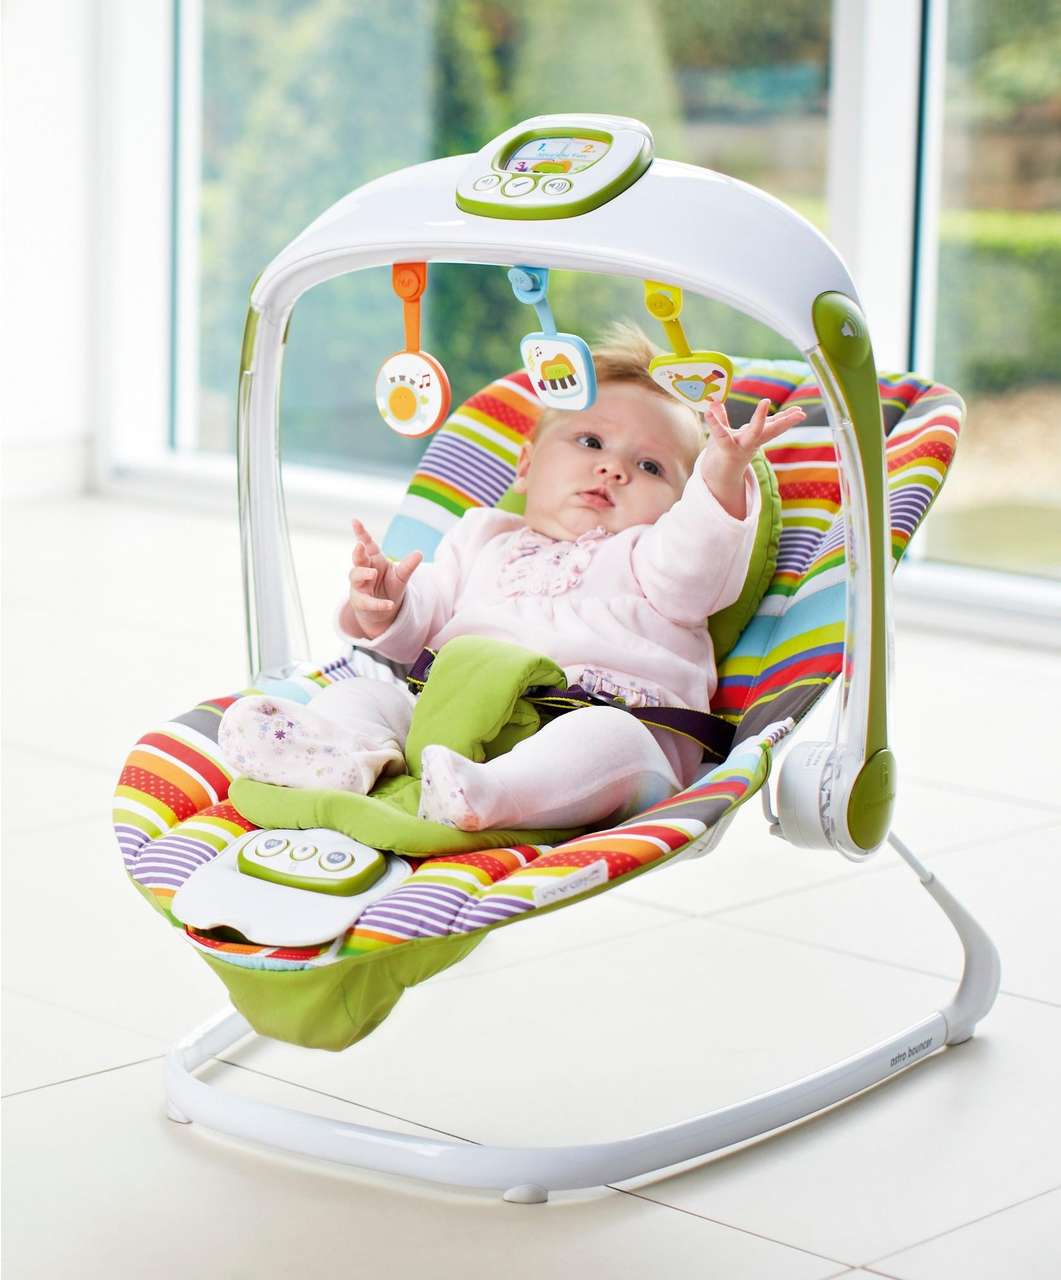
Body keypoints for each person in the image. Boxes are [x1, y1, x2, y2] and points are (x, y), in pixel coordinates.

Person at [218, 325, 805, 831]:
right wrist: (387, 604)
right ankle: (342, 760)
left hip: (598, 728)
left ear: (679, 502)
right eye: (590, 441)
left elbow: (699, 554)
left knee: (609, 741)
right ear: (526, 465)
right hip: (451, 718)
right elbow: (418, 629)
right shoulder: (483, 536)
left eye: (650, 466)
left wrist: (721, 473)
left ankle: (489, 795)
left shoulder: (651, 557)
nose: (612, 468)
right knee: (365, 696)